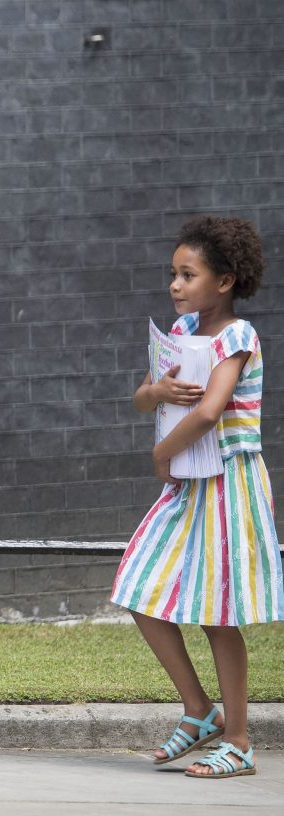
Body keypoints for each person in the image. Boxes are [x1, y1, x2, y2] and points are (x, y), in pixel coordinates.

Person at [111, 215, 275, 779]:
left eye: (188, 274)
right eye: (173, 274)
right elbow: (145, 401)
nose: (176, 285)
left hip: (227, 485)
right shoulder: (179, 334)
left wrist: (161, 457)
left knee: (218, 615)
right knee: (140, 585)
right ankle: (199, 711)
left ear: (224, 282)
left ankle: (238, 740)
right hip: (189, 486)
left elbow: (210, 411)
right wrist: (154, 391)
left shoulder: (237, 337)